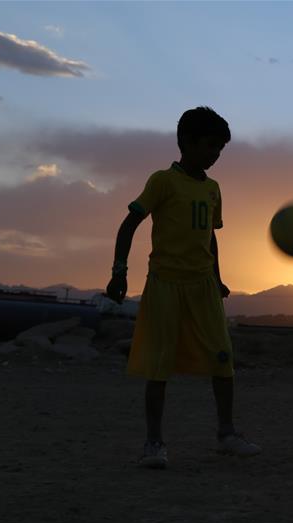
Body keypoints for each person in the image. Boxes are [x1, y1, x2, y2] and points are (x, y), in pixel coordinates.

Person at [106, 106, 261, 469]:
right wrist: (119, 271)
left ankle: (226, 434)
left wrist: (218, 278)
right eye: (210, 145)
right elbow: (129, 224)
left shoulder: (212, 189)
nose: (215, 154)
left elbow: (210, 237)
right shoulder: (162, 181)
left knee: (222, 357)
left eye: (220, 148)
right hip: (165, 284)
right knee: (159, 364)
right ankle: (154, 443)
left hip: (203, 285)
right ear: (186, 142)